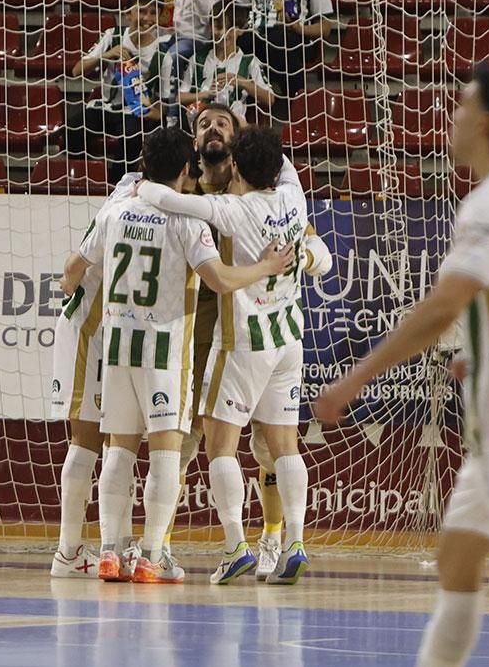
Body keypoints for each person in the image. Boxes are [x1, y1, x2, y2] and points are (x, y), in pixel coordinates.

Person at [312, 65, 489, 667]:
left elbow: (446, 302)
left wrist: (353, 378)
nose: (451, 116)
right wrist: (480, 353)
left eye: (461, 104)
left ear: (487, 122)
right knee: (457, 560)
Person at [60, 127, 294, 584]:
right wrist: (267, 266)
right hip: (163, 350)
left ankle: (111, 552)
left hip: (117, 346)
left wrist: (69, 292)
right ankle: (151, 555)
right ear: (188, 169)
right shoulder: (187, 222)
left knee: (119, 450)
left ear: (144, 166)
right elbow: (221, 281)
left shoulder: (116, 212)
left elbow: (74, 267)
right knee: (166, 454)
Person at [136, 126, 317, 585]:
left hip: (244, 341)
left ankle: (236, 546)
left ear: (235, 166)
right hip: (289, 339)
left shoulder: (234, 210)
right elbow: (284, 164)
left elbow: (176, 202)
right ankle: (295, 540)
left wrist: (143, 186)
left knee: (220, 446)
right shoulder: (295, 198)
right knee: (285, 447)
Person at [49, 172, 142, 579]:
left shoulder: (128, 190)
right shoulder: (128, 205)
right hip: (91, 331)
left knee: (118, 440)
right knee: (87, 439)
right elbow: (73, 266)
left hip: (113, 330)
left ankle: (118, 544)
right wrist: (72, 287)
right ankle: (68, 552)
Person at [67, 0, 168, 182]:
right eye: (142, 11)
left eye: (153, 13)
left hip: (135, 110)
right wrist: (106, 55)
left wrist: (156, 113)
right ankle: (85, 178)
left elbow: (165, 100)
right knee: (73, 127)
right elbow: (76, 70)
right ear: (128, 14)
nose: (147, 18)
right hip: (106, 107)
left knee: (132, 136)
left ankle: (117, 184)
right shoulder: (112, 35)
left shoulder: (163, 53)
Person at [167, 1, 275, 124]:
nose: (223, 34)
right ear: (210, 27)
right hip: (202, 122)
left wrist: (241, 82)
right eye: (218, 27)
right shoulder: (198, 60)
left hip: (235, 126)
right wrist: (205, 94)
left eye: (230, 29)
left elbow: (269, 99)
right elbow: (180, 98)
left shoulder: (249, 61)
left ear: (241, 30)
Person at [233, 0, 335, 104]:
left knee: (278, 40)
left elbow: (325, 29)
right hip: (259, 37)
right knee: (241, 39)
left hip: (298, 39)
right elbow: (235, 11)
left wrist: (298, 28)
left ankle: (297, 103)